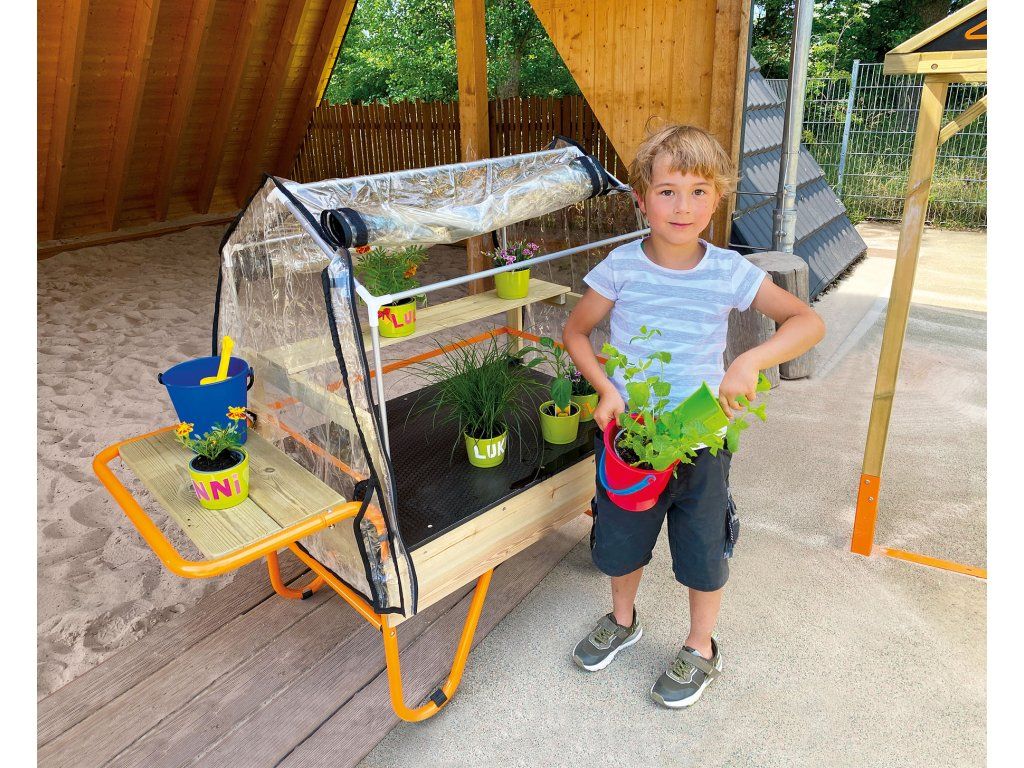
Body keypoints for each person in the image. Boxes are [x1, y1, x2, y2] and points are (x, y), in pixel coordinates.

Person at [562, 123, 825, 708]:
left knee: (703, 546)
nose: (683, 207)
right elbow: (576, 332)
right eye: (667, 191)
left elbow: (807, 321)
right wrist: (605, 388)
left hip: (702, 430)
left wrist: (750, 360)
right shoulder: (620, 266)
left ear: (717, 199)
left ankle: (701, 646)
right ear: (641, 199)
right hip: (632, 434)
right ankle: (622, 619)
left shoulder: (730, 271)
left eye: (699, 191)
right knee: (621, 535)